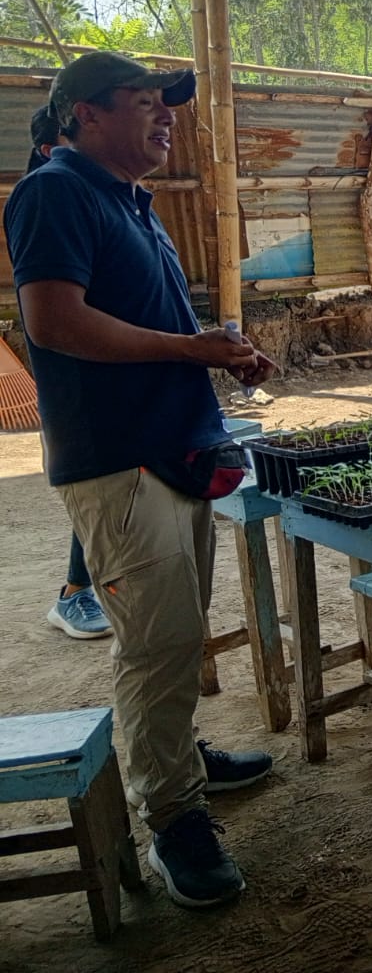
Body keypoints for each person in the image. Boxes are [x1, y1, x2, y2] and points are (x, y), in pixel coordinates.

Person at [5, 51, 279, 908]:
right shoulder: (55, 192)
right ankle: (171, 818)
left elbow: (145, 322)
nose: (166, 116)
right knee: (156, 644)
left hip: (172, 447)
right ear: (85, 114)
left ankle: (176, 757)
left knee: (177, 631)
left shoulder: (132, 201)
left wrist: (220, 352)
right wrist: (191, 349)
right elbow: (55, 323)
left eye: (169, 104)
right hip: (118, 459)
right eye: (145, 102)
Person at [23, 105, 111, 639]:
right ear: (49, 148)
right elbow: (56, 321)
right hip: (82, 389)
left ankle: (85, 587)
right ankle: (75, 591)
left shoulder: (99, 196)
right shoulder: (48, 196)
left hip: (114, 384)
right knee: (96, 484)